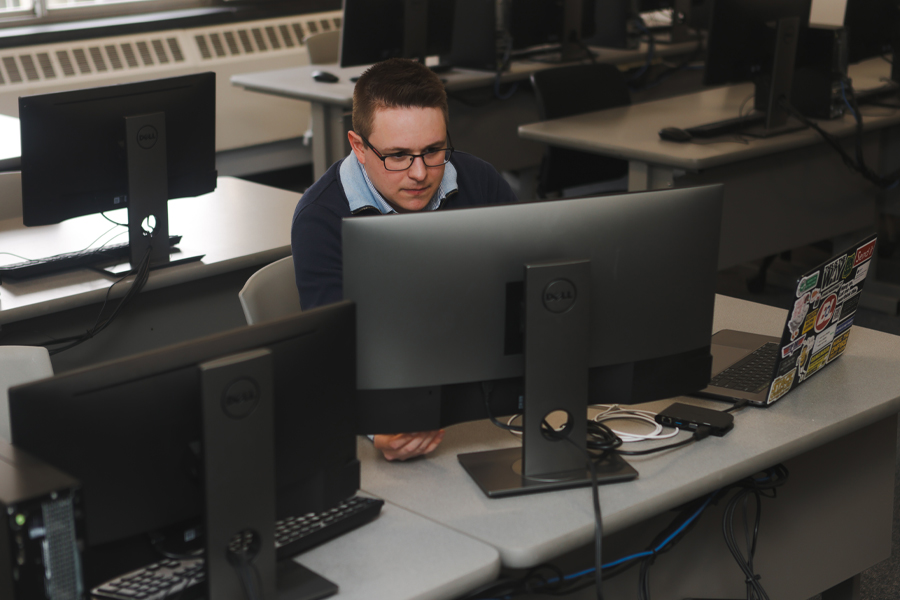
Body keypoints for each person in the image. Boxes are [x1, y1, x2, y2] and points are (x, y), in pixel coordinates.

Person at [291, 58, 519, 461]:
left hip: (482, 394)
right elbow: (333, 353)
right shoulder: (321, 218)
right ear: (358, 147)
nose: (419, 173)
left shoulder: (478, 179)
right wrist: (375, 426)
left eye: (433, 150)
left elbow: (523, 295)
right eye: (397, 156)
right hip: (395, 404)